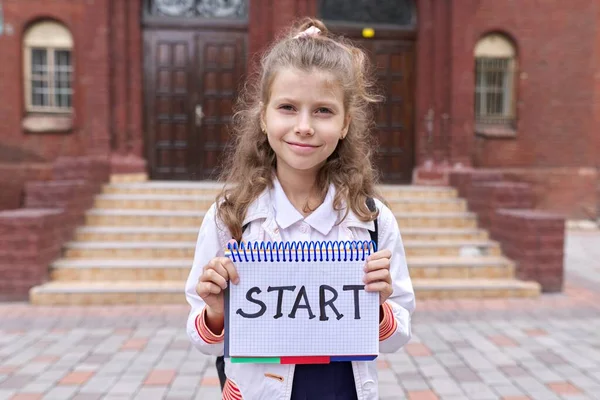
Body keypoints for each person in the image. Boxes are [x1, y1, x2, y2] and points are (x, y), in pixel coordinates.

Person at [185, 17, 415, 400]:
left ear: (345, 124)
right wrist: (215, 311)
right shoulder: (230, 216)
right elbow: (204, 341)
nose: (304, 126)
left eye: (323, 111)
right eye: (288, 107)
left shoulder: (373, 220)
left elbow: (398, 335)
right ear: (263, 116)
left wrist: (378, 306)